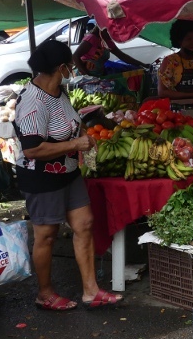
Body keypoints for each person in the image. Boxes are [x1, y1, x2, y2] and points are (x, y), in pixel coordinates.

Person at [14, 40, 122, 311]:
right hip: (41, 176)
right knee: (46, 235)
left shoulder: (58, 92)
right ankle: (45, 293)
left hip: (69, 171)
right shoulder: (33, 102)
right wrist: (75, 144)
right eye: (70, 66)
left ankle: (91, 291)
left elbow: (69, 122)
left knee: (84, 224)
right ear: (61, 67)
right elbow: (32, 149)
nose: (72, 70)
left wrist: (81, 134)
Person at [158, 20, 193, 104]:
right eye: (189, 39)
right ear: (179, 41)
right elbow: (162, 92)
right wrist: (191, 95)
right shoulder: (170, 61)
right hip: (180, 110)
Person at [73, 24, 147, 77]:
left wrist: (143, 64)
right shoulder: (91, 39)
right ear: (102, 29)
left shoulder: (107, 41)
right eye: (110, 32)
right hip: (85, 78)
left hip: (99, 75)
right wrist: (87, 75)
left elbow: (122, 56)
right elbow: (75, 56)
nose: (111, 36)